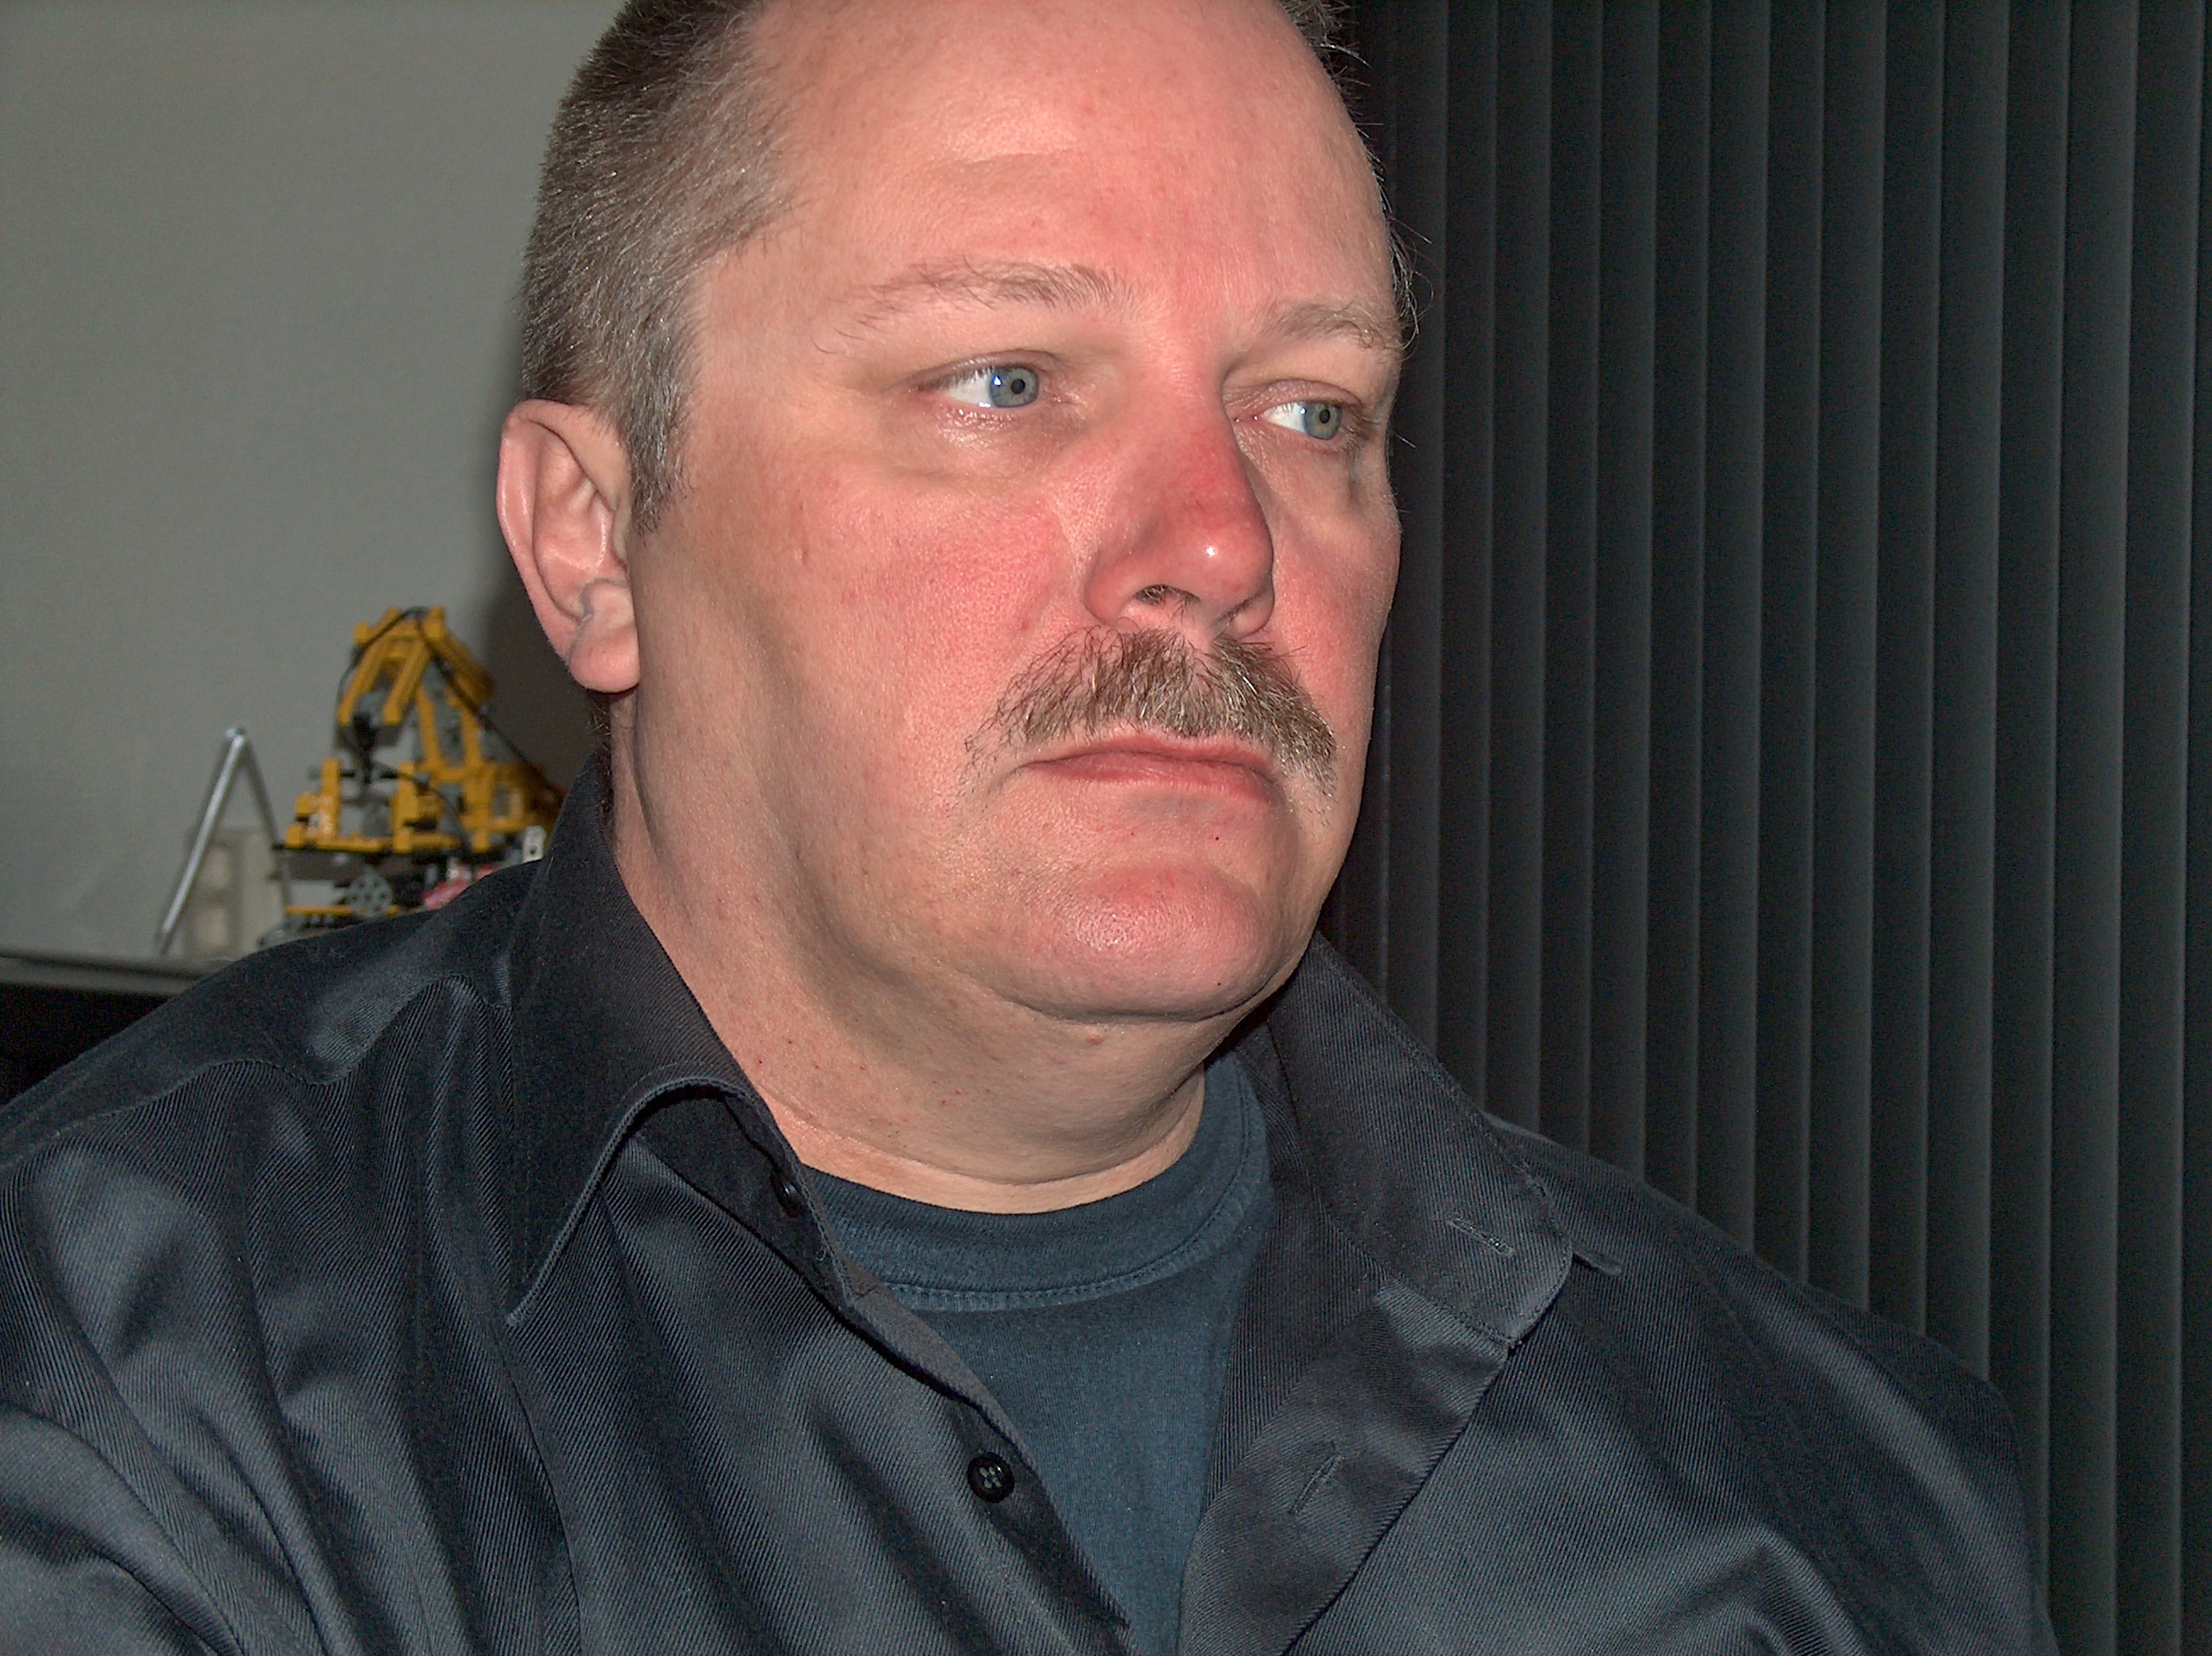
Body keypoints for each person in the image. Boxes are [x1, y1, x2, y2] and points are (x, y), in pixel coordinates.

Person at [0, 0, 2055, 1650]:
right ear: (594, 541)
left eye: (1312, 409)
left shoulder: (1825, 1487)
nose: (1222, 541)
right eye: (1004, 378)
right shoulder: (131, 1393)